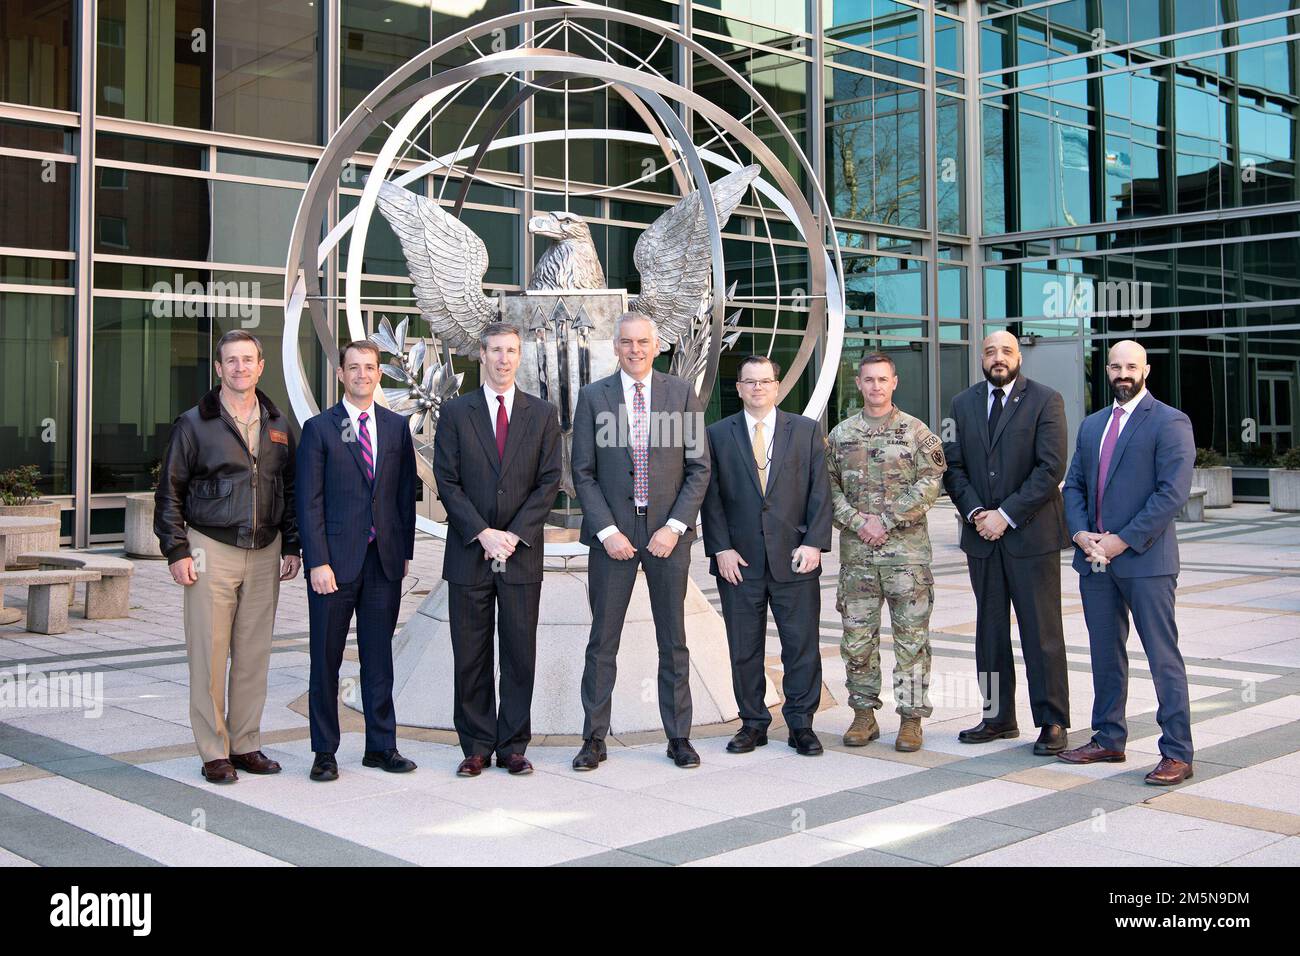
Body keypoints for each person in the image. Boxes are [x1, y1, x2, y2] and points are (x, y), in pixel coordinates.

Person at [155, 329, 301, 784]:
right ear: (218, 369)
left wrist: (293, 544)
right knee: (210, 653)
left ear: (260, 366)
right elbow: (170, 490)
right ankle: (213, 750)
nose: (240, 368)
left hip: (265, 550)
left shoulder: (278, 423)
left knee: (254, 654)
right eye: (231, 361)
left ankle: (246, 744)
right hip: (210, 548)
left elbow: (291, 489)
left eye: (248, 360)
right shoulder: (194, 423)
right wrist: (176, 549)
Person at [570, 313, 711, 770]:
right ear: (615, 346)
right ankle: (593, 739)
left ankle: (679, 737)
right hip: (613, 537)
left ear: (657, 346)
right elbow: (583, 471)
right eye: (627, 342)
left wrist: (674, 527)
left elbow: (699, 467)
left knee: (674, 641)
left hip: (667, 536)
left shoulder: (679, 394)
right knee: (602, 641)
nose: (635, 349)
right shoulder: (593, 397)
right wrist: (607, 531)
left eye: (643, 342)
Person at [1059, 339, 1196, 785]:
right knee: (1104, 654)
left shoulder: (1170, 422)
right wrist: (1081, 535)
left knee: (1162, 657)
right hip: (1094, 561)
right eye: (1115, 366)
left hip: (1146, 562)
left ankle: (1176, 751)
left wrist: (1121, 541)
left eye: (1130, 366)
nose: (1122, 373)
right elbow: (1074, 485)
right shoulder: (1092, 425)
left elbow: (1170, 494)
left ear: (1146, 370)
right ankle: (1108, 738)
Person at [433, 323, 563, 777]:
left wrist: (513, 534)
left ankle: (512, 745)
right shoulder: (454, 413)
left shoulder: (543, 414)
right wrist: (483, 532)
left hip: (522, 554)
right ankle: (475, 745)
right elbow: (445, 480)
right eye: (495, 351)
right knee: (469, 653)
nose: (503, 359)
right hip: (470, 552)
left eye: (511, 351)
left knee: (518, 653)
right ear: (481, 356)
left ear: (519, 356)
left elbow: (550, 482)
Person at [943, 331, 1071, 754]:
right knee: (990, 631)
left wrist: (1006, 515)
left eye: (1006, 352)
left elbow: (1050, 468)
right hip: (982, 538)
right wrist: (979, 513)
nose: (998, 358)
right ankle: (998, 717)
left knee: (1042, 631)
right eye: (990, 351)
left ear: (1019, 357)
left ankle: (1052, 720)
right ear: (982, 358)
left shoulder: (1046, 400)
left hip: (1031, 537)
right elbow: (953, 468)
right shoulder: (962, 403)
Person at [297, 340, 418, 782]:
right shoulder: (319, 429)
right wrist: (317, 561)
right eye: (354, 367)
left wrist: (403, 553)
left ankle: (381, 746)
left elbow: (405, 496)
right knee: (325, 659)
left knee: (379, 658)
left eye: (369, 367)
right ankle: (325, 752)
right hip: (334, 566)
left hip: (382, 564)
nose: (362, 375)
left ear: (378, 374)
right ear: (341, 374)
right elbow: (308, 502)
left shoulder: (394, 426)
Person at [701, 355, 833, 756]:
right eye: (749, 382)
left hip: (795, 558)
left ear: (777, 386)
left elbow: (819, 492)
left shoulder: (807, 432)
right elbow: (711, 499)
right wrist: (720, 547)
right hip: (738, 563)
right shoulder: (717, 434)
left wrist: (813, 543)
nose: (757, 388)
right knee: (744, 646)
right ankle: (753, 723)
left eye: (765, 381)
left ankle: (801, 725)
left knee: (801, 644)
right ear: (738, 388)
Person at [828, 353, 945, 753]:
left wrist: (887, 520)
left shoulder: (917, 433)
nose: (875, 386)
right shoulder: (841, 435)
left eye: (882, 379)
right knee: (857, 639)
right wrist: (861, 523)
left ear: (894, 382)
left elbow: (931, 482)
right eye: (868, 379)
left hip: (906, 560)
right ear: (858, 384)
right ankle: (864, 715)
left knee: (911, 641)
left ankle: (911, 719)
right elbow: (827, 491)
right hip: (857, 559)